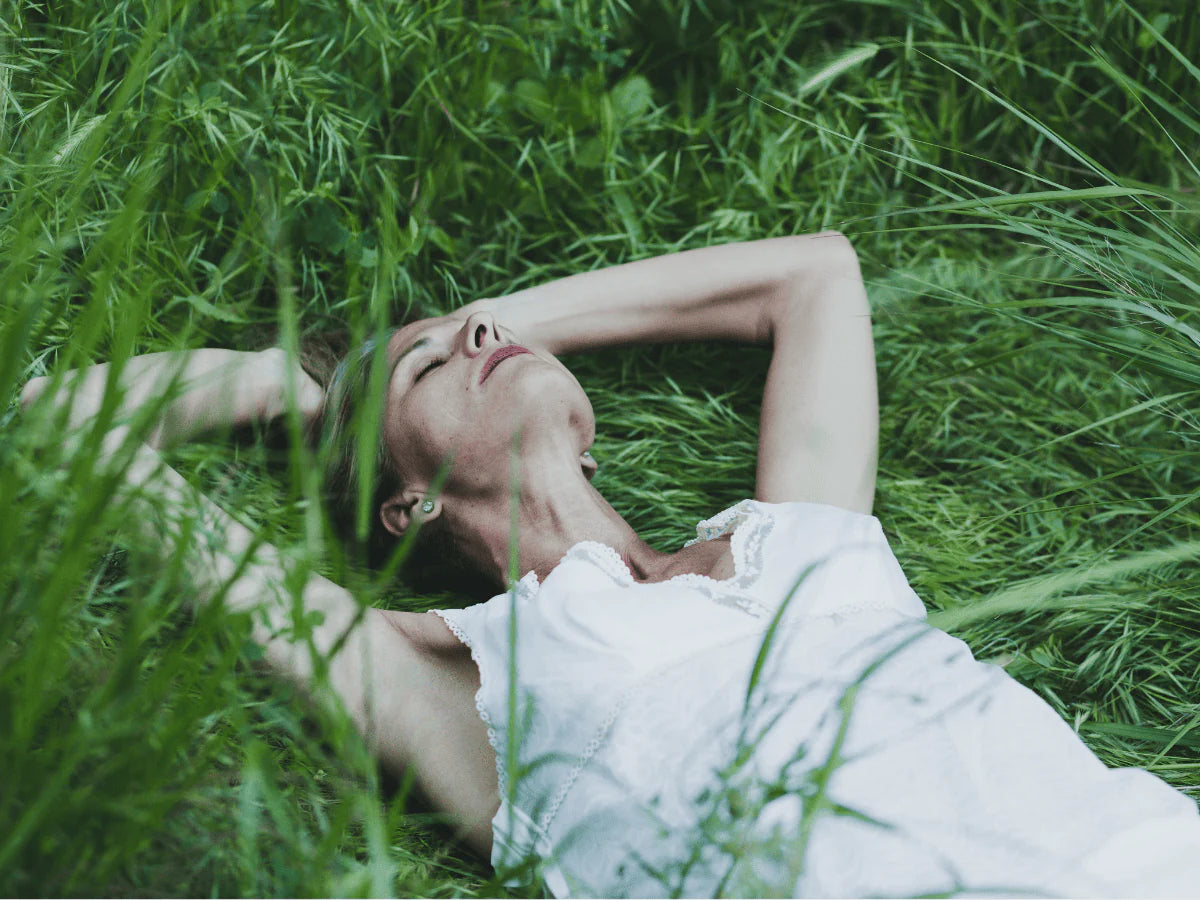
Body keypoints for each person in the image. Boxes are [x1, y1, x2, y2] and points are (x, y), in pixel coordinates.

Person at [22, 234, 1200, 897]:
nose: (481, 339)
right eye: (435, 370)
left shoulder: (801, 542)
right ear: (407, 501)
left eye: (486, 335)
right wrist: (318, 387)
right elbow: (57, 421)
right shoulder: (455, 689)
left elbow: (815, 278)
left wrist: (481, 321)